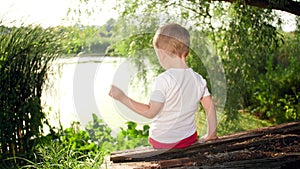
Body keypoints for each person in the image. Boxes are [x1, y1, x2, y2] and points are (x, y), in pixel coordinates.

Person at [109, 23, 217, 149]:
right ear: (187, 53)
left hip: (163, 142)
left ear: (161, 54)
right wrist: (211, 134)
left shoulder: (164, 79)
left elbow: (150, 112)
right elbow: (210, 107)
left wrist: (121, 97)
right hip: (188, 140)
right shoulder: (198, 79)